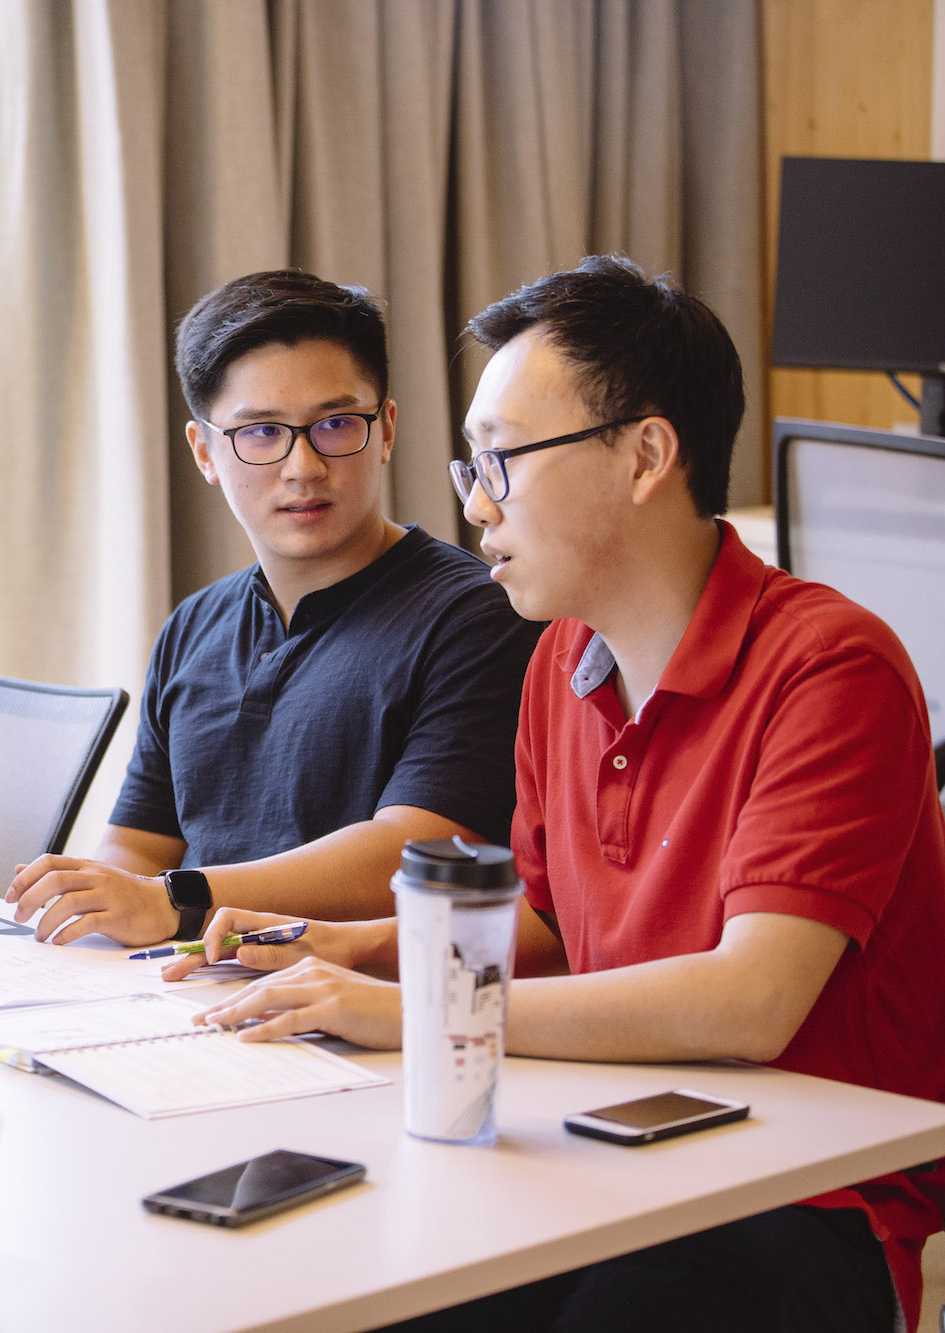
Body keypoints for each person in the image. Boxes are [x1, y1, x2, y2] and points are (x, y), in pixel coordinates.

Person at [171, 256, 945, 1331]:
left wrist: (412, 1013)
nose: (477, 503)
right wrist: (346, 946)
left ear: (645, 456)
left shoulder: (829, 666)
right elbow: (545, 930)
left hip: (794, 1200)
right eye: (468, 466)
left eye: (500, 460)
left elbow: (749, 1001)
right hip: (598, 1142)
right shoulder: (558, 662)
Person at [7, 270, 543, 946]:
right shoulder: (195, 626)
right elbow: (140, 850)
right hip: (188, 987)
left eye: (336, 424)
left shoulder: (475, 616)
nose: (303, 466)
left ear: (386, 431)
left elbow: (415, 852)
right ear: (205, 451)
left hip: (361, 1005)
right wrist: (90, 898)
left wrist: (176, 900)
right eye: (261, 432)